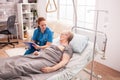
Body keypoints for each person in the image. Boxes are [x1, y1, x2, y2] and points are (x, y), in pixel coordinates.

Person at [0, 31, 74, 79]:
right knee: (16, 59)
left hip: (48, 61)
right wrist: (39, 53)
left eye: (65, 34)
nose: (62, 34)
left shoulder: (68, 48)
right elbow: (46, 50)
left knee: (22, 67)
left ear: (68, 37)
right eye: (62, 33)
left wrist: (52, 69)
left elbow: (64, 61)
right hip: (40, 56)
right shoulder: (55, 44)